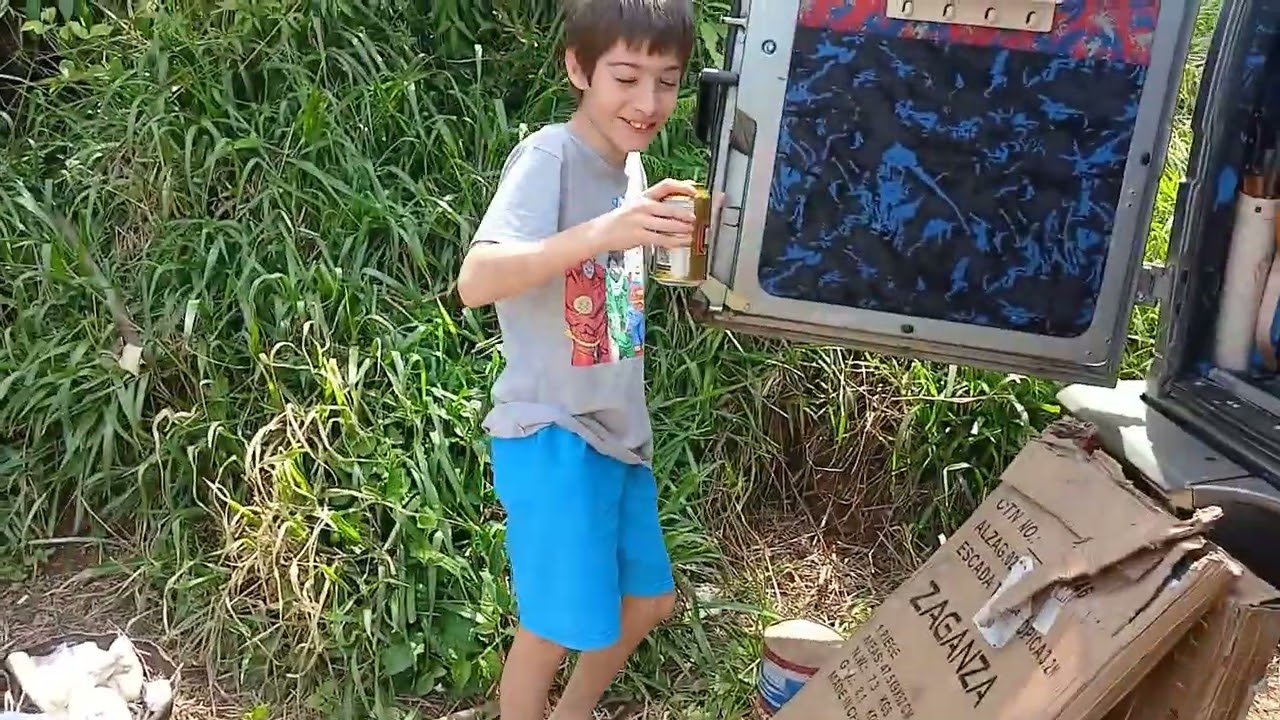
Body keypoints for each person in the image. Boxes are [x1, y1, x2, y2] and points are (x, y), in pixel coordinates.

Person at [454, 0, 699, 718]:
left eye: (667, 80)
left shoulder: (630, 169)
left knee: (648, 602)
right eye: (626, 77)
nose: (647, 102)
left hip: (616, 435)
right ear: (577, 68)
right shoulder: (550, 156)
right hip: (553, 430)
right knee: (550, 630)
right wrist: (604, 230)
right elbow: (478, 280)